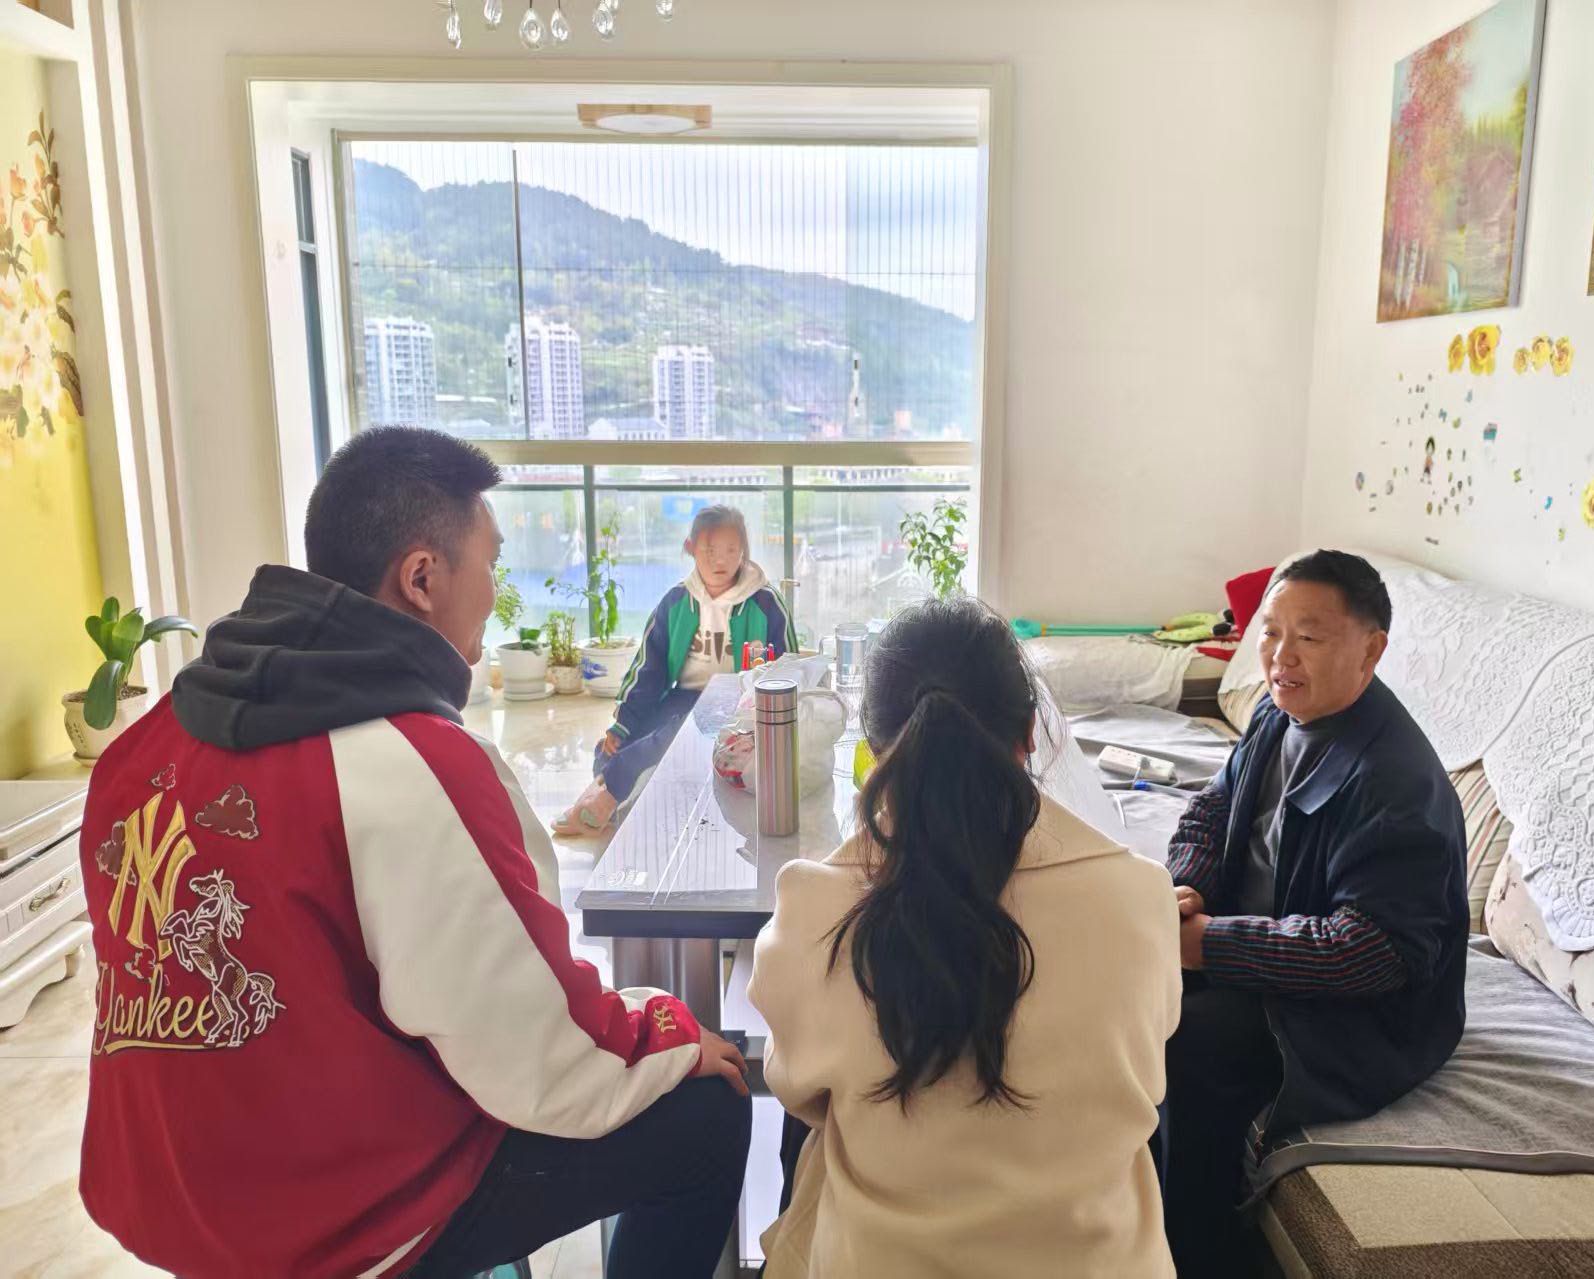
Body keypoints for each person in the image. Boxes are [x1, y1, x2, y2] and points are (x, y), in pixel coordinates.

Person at [78, 427, 751, 1279]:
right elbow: (539, 1052)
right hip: (342, 1222)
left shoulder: (139, 750)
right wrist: (669, 1032)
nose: (496, 592)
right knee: (706, 1111)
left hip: (169, 1195)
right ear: (423, 578)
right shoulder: (413, 762)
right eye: (491, 563)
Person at [749, 597, 1182, 1278]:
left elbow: (796, 1087)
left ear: (874, 750)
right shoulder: (1140, 896)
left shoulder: (816, 906)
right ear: (1031, 733)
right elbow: (1145, 1076)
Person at [1159, 549, 1467, 1276]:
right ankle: (1124, 1208)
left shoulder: (1397, 781)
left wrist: (1208, 945)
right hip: (1265, 947)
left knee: (1183, 1042)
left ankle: (1199, 1254)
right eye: (1270, 631)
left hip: (1361, 1014)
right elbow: (1211, 809)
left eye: (1310, 636)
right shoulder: (1277, 712)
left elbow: (1371, 951)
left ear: (1371, 649)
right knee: (1127, 990)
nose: (1280, 656)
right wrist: (1189, 888)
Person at [555, 505, 796, 836]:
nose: (721, 560)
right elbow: (649, 669)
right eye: (710, 550)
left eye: (731, 550)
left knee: (672, 736)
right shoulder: (676, 601)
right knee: (621, 742)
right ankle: (602, 790)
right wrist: (624, 724)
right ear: (691, 548)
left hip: (738, 703)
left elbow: (787, 668)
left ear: (744, 550)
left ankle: (606, 796)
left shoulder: (766, 602)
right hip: (684, 696)